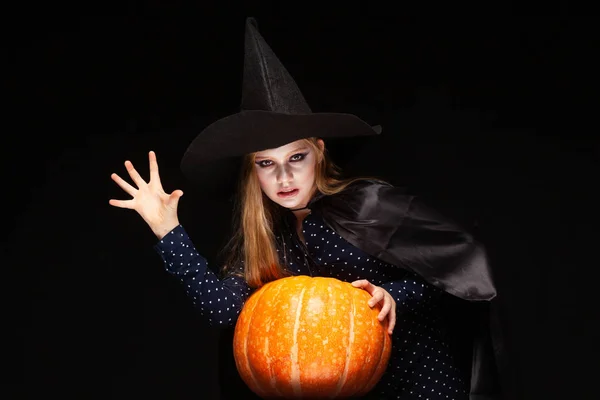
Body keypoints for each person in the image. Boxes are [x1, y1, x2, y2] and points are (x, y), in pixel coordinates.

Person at [109, 18, 502, 400]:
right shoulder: (267, 238)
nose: (284, 177)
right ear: (253, 172)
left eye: (296, 157)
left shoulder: (369, 203)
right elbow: (224, 311)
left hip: (423, 387)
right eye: (266, 163)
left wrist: (394, 293)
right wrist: (168, 230)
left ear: (319, 151)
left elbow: (459, 272)